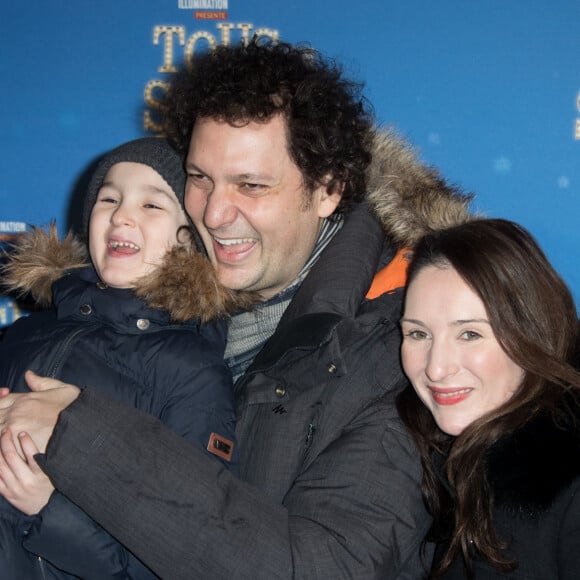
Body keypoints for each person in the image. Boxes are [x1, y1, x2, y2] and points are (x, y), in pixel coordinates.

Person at [0, 40, 472, 579]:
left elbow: (323, 569)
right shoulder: (145, 304)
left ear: (328, 189)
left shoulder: (398, 354)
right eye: (200, 178)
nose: (216, 213)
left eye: (251, 185)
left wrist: (82, 439)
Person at [0, 137, 255, 578]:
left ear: (189, 241)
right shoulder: (26, 332)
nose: (121, 215)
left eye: (151, 206)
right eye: (109, 198)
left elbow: (176, 555)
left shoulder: (193, 372)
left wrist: (50, 509)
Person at [398, 218, 580, 579]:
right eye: (418, 333)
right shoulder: (422, 456)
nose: (436, 368)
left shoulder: (568, 485)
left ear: (531, 333)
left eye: (469, 334)